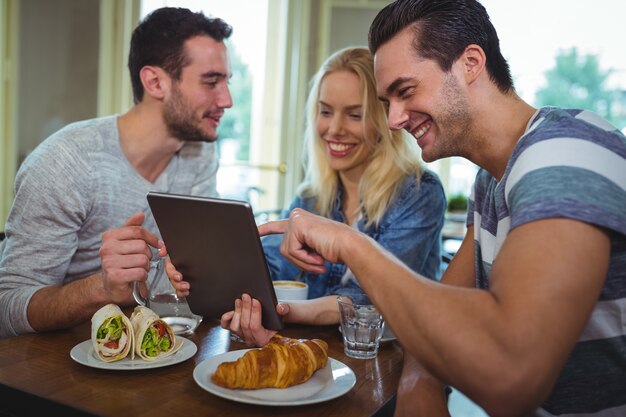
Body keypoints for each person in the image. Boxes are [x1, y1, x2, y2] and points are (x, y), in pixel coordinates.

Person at [249, 1, 626, 416]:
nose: (393, 119)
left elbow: (512, 370)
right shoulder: (492, 179)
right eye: (386, 100)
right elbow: (443, 304)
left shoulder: (566, 151)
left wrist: (350, 243)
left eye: (405, 91)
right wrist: (419, 378)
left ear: (470, 63)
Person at [167, 47, 446, 344]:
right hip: (322, 356)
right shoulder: (311, 198)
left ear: (383, 121)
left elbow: (372, 299)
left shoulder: (419, 193)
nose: (334, 129)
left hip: (394, 365)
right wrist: (201, 269)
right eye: (325, 112)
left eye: (354, 115)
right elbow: (271, 267)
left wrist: (283, 312)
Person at [0, 7, 233, 338]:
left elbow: (198, 274)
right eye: (211, 81)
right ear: (155, 82)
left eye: (226, 81)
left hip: (157, 352)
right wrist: (103, 289)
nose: (227, 100)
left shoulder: (200, 152)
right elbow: (6, 306)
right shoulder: (66, 162)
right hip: (60, 367)